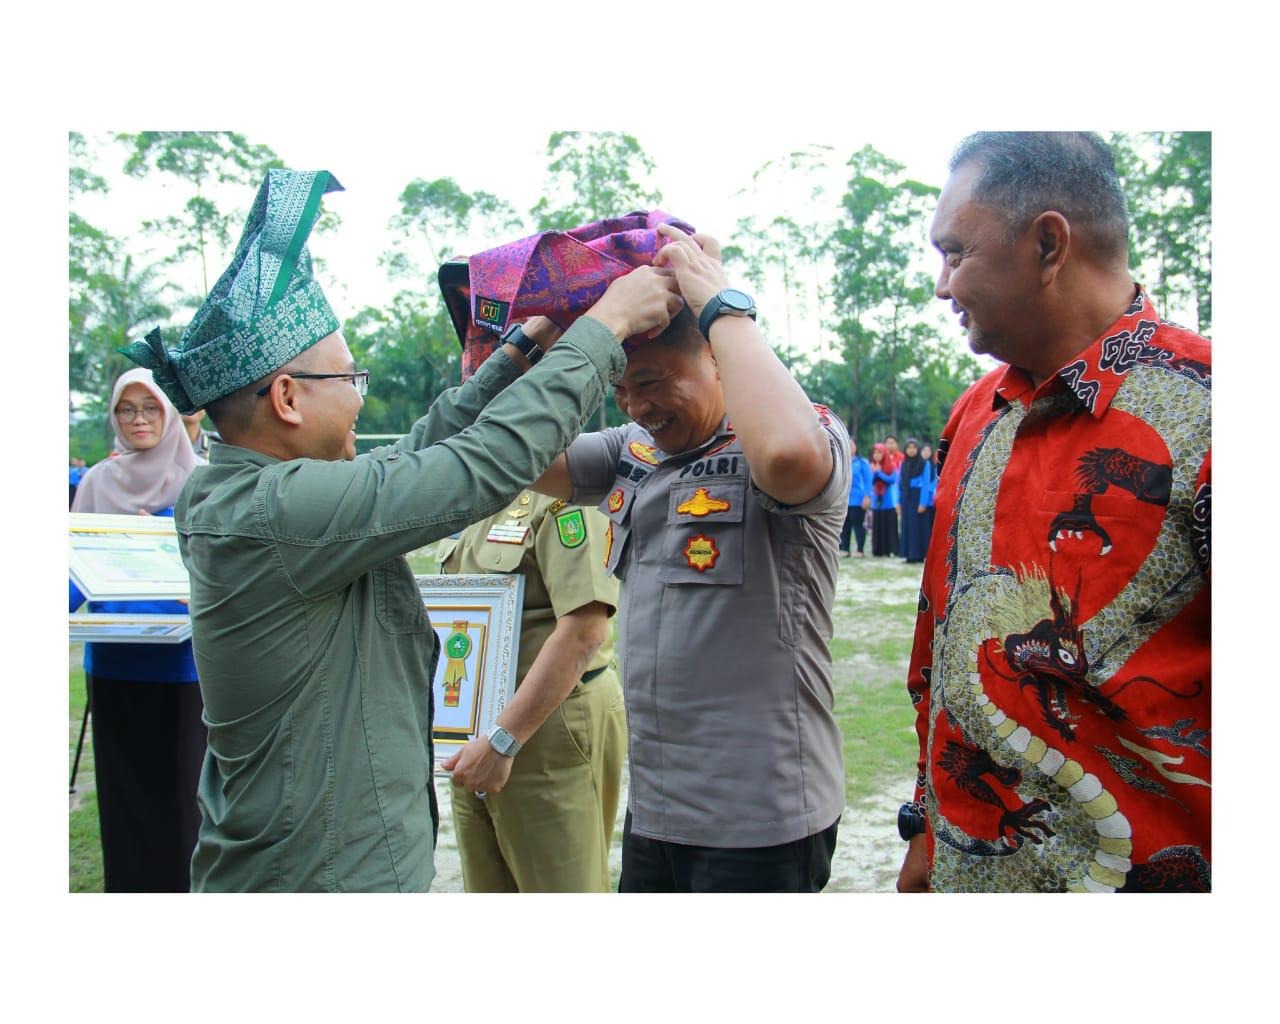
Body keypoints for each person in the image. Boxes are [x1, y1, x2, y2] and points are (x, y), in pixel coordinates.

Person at [120, 169, 683, 892]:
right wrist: (606, 330)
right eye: (350, 381)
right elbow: (473, 467)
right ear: (288, 398)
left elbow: (417, 454)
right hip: (320, 877)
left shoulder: (255, 492)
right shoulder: (271, 511)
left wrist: (520, 350)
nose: (362, 399)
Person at [896, 132, 1211, 893]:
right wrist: (923, 828)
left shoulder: (1208, 412)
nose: (941, 286)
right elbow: (936, 650)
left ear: (1047, 243)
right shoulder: (976, 412)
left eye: (955, 253)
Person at [534, 224, 848, 892]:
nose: (636, 406)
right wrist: (538, 344)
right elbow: (512, 456)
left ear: (717, 357)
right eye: (621, 389)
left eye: (652, 380)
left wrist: (720, 303)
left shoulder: (795, 432)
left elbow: (790, 461)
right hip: (659, 810)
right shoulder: (634, 450)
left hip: (760, 816)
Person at [438, 488, 625, 892]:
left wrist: (504, 740)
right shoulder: (480, 488)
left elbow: (584, 632)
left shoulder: (567, 493)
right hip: (474, 728)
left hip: (544, 726)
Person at [69, 367, 205, 891]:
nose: (139, 419)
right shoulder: (98, 482)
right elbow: (75, 570)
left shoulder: (198, 481)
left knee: (182, 809)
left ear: (169, 412)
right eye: (127, 409)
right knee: (125, 806)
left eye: (149, 407)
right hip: (114, 664)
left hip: (181, 670)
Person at [839, 438, 873, 557]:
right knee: (845, 525)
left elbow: (868, 481)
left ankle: (860, 549)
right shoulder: (840, 461)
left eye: (851, 445)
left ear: (856, 447)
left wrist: (867, 496)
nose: (849, 447)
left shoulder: (862, 463)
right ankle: (846, 549)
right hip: (843, 499)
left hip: (858, 499)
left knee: (858, 524)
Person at [898, 437, 930, 563]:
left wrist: (923, 503)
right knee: (906, 525)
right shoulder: (903, 464)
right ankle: (908, 554)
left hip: (918, 497)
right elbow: (900, 483)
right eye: (908, 448)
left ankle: (918, 554)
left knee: (918, 526)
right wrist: (899, 502)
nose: (911, 450)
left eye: (914, 448)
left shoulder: (924, 464)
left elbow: (926, 484)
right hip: (907, 497)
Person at [869, 442, 899, 557]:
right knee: (878, 525)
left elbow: (892, 479)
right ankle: (878, 550)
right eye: (874, 453)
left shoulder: (890, 465)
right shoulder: (870, 466)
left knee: (889, 526)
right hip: (877, 502)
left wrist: (879, 473)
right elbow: (869, 481)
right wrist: (874, 472)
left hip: (888, 502)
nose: (876, 455)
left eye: (879, 453)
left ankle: (890, 549)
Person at [919, 442, 937, 545]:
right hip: (920, 498)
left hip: (931, 499)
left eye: (928, 451)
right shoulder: (918, 465)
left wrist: (929, 489)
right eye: (923, 451)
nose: (926, 453)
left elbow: (936, 479)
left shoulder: (934, 465)